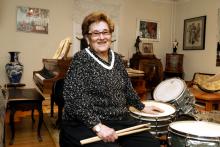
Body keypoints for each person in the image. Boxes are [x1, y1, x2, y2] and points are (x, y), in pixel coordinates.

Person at [59, 12, 164, 147]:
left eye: (105, 32)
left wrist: (142, 106)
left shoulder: (117, 59)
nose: (102, 37)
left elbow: (127, 88)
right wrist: (97, 126)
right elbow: (73, 98)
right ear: (87, 38)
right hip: (86, 121)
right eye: (96, 33)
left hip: (119, 118)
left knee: (151, 144)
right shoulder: (81, 59)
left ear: (110, 35)